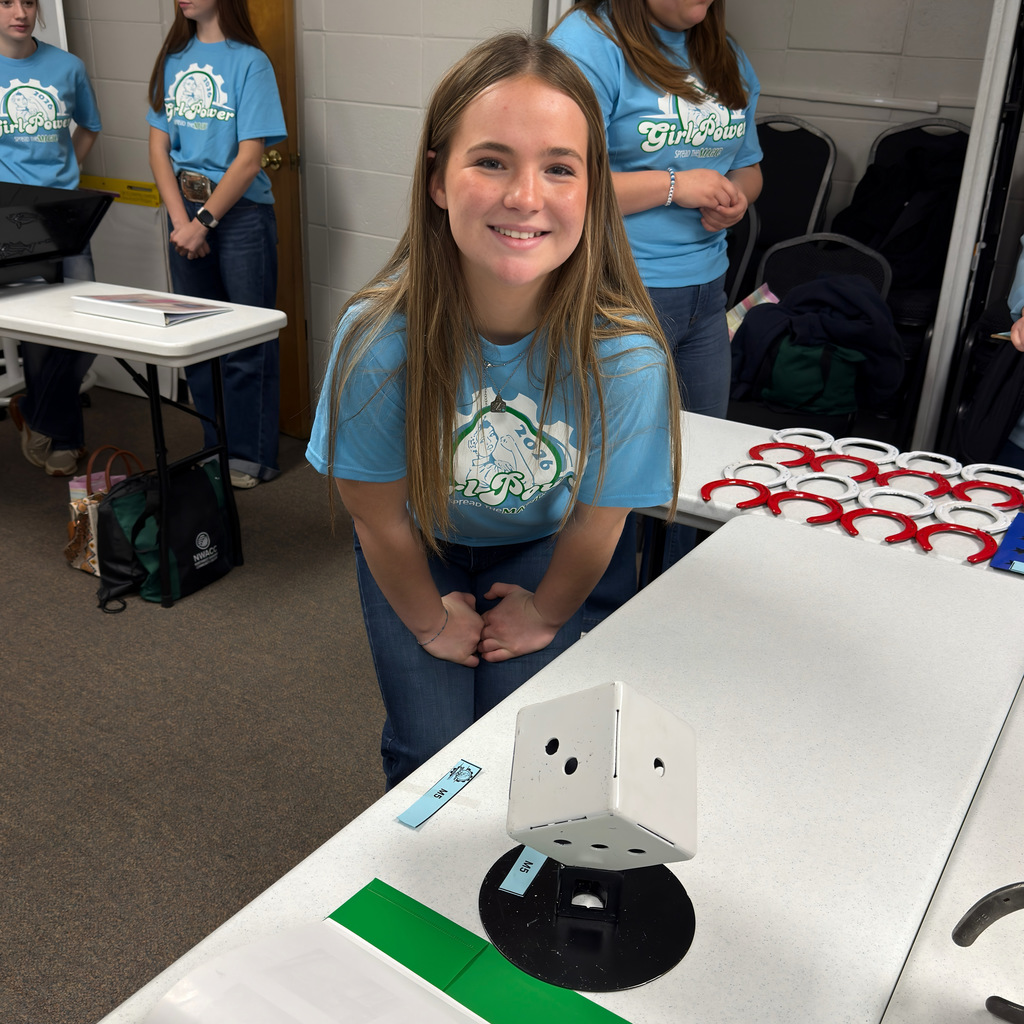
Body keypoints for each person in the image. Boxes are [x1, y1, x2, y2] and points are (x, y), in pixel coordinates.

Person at [306, 33, 682, 789]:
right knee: (431, 749)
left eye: (559, 168)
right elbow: (376, 517)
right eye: (491, 161)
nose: (525, 197)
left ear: (592, 189)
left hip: (541, 540)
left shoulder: (625, 356)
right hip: (417, 538)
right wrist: (429, 619)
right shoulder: (378, 342)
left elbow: (597, 523)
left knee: (524, 745)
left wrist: (546, 612)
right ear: (437, 179)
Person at [550, 0, 762, 581]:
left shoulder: (724, 54)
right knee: (610, 477)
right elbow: (558, 182)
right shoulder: (588, 45)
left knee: (697, 469)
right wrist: (674, 186)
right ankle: (595, 610)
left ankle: (674, 597)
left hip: (705, 291)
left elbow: (748, 165)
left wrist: (736, 198)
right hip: (617, 290)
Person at [147, 0, 285, 489]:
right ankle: (216, 448)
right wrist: (182, 221)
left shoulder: (250, 61)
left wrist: (203, 222)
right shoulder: (173, 58)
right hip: (185, 215)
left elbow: (250, 158)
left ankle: (249, 456)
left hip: (239, 217)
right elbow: (158, 149)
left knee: (246, 341)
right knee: (197, 340)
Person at [1, 0, 101, 476]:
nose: (19, 12)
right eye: (6, 2)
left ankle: (34, 412)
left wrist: (65, 175)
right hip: (12, 221)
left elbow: (91, 127)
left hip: (65, 216)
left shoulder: (67, 67)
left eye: (28, 1)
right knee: (40, 336)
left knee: (86, 327)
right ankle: (63, 438)